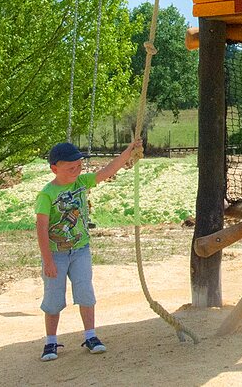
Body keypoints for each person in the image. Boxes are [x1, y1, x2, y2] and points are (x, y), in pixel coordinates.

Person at [35, 137, 141, 362]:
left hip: (80, 250)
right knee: (54, 298)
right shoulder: (47, 194)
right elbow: (41, 228)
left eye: (79, 166)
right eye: (71, 167)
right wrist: (48, 261)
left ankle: (91, 336)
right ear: (55, 168)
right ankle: (51, 341)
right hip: (56, 254)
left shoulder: (82, 182)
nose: (76, 170)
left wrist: (129, 151)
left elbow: (108, 170)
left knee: (85, 293)